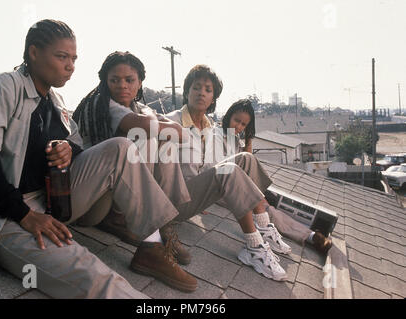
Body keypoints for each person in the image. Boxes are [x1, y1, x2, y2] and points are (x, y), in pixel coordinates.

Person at [0, 19, 199, 297]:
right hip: (4, 216)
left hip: (52, 200)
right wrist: (24, 215)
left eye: (73, 58)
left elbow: (79, 148)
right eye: (62, 57)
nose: (70, 66)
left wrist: (70, 150)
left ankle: (153, 244)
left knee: (120, 147)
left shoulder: (56, 103)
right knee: (98, 279)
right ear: (34, 53)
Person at [165, 65, 288, 281]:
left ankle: (264, 225)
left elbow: (208, 167)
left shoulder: (208, 127)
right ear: (187, 91)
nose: (201, 92)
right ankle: (254, 248)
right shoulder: (170, 121)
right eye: (196, 87)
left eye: (208, 89)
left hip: (196, 197)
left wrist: (205, 192)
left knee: (246, 159)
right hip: (173, 203)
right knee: (229, 170)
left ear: (213, 99)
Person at [73, 51, 192, 265]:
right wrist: (171, 127)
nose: (122, 86)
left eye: (129, 80)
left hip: (116, 197)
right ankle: (124, 219)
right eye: (114, 80)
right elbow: (146, 127)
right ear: (104, 82)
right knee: (145, 136)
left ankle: (164, 223)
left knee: (163, 141)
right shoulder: (102, 104)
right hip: (91, 203)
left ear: (140, 83)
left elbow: (178, 135)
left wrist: (170, 127)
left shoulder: (141, 109)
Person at [215, 99, 332, 254]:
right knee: (267, 209)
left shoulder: (234, 139)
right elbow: (221, 170)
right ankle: (310, 236)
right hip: (222, 188)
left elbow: (247, 164)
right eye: (236, 120)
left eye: (243, 125)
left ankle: (310, 233)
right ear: (228, 116)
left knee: (271, 204)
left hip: (239, 185)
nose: (239, 127)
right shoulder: (216, 135)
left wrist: (248, 137)